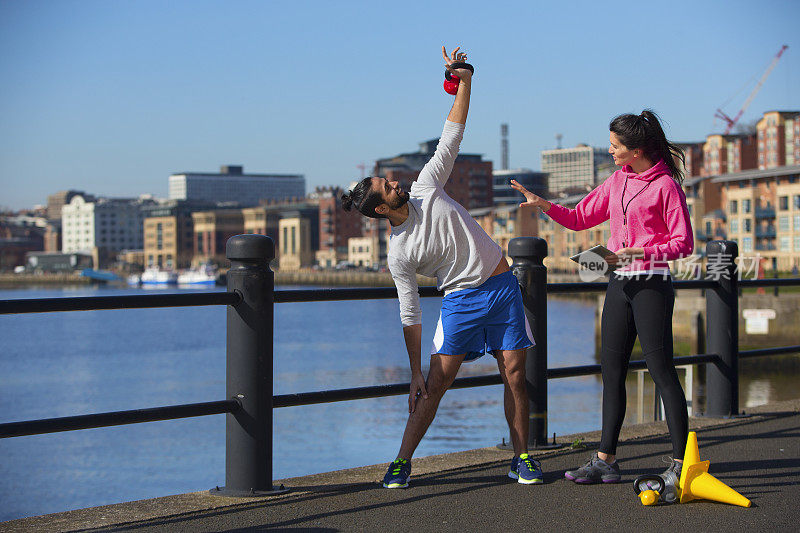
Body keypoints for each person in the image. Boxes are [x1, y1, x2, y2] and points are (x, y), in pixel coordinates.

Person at [342, 46, 540, 489]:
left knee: (514, 375)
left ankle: (522, 457)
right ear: (379, 210)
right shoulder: (399, 253)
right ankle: (402, 461)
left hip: (501, 283)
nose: (396, 182)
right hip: (460, 300)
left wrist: (464, 82)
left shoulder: (426, 187)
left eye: (390, 179)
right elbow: (409, 315)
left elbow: (452, 134)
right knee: (434, 383)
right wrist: (412, 370)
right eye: (387, 186)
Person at [511, 110, 693, 484]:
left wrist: (640, 252)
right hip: (619, 285)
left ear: (636, 149)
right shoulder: (616, 182)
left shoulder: (666, 187)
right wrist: (542, 203)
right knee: (611, 374)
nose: (609, 150)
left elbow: (683, 243)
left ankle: (680, 464)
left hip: (651, 286)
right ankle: (605, 459)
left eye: (615, 145)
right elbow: (579, 218)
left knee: (662, 373)